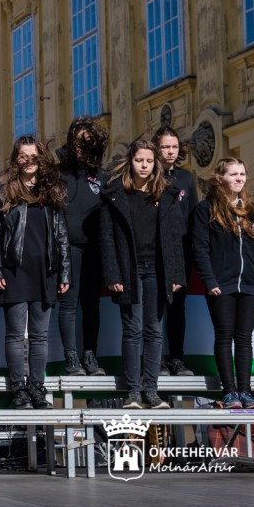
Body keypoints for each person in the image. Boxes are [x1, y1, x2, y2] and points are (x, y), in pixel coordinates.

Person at [101, 139, 186, 410]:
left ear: (155, 164)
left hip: (157, 270)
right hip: (130, 269)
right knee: (132, 329)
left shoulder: (166, 194)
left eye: (149, 161)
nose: (144, 165)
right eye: (139, 160)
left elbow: (174, 237)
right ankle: (133, 392)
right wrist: (113, 273)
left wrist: (176, 274)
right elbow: (107, 238)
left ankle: (151, 390)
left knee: (154, 330)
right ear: (131, 162)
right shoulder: (115, 194)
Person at [0, 136, 70, 409]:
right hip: (14, 270)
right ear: (16, 159)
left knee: (39, 335)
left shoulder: (51, 191)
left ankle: (36, 387)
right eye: (23, 156)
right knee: (14, 334)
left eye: (34, 157)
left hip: (45, 271)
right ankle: (18, 389)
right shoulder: (3, 190)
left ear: (41, 159)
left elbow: (61, 235)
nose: (29, 161)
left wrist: (64, 272)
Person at [191, 157, 254, 409]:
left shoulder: (252, 211)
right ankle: (229, 392)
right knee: (225, 336)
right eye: (233, 174)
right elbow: (200, 248)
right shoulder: (206, 209)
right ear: (220, 179)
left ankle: (245, 391)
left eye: (242, 174)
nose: (239, 178)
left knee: (245, 338)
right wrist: (209, 280)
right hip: (221, 285)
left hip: (250, 285)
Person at [57, 117, 110, 375]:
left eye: (88, 141)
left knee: (91, 304)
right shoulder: (59, 174)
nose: (83, 146)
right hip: (68, 248)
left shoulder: (102, 176)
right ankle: (71, 358)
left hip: (94, 249)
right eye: (78, 141)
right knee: (68, 304)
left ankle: (90, 354)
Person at [153, 126, 198, 376]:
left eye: (174, 147)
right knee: (156, 308)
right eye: (165, 147)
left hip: (181, 252)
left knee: (177, 308)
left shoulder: (187, 179)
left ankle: (177, 359)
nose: (170, 151)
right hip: (154, 251)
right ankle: (157, 359)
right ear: (156, 149)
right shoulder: (148, 177)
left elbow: (194, 218)